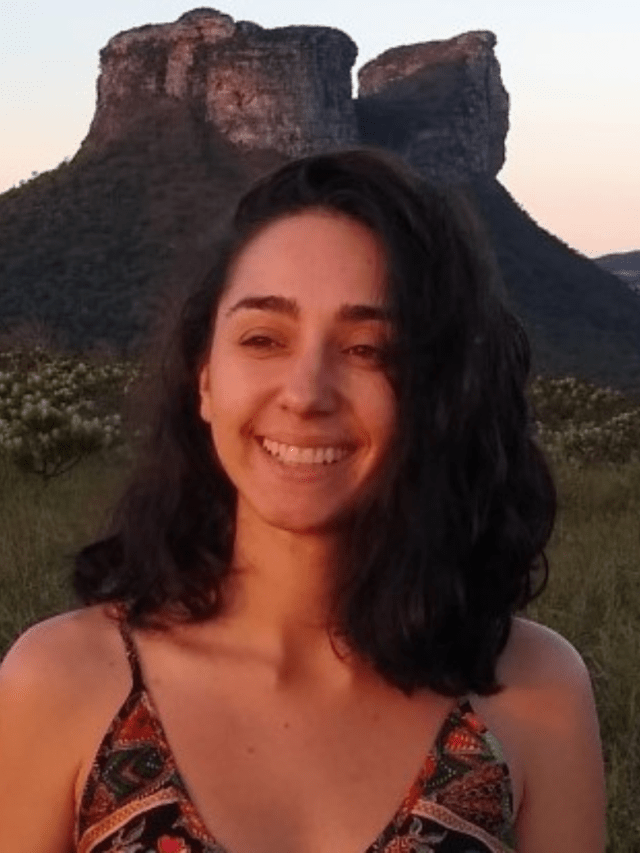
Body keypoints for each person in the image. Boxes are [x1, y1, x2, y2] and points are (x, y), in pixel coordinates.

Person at [0, 148, 605, 853]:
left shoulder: (534, 691)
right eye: (263, 339)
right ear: (205, 379)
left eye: (368, 350)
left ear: (437, 393)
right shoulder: (63, 682)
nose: (306, 393)